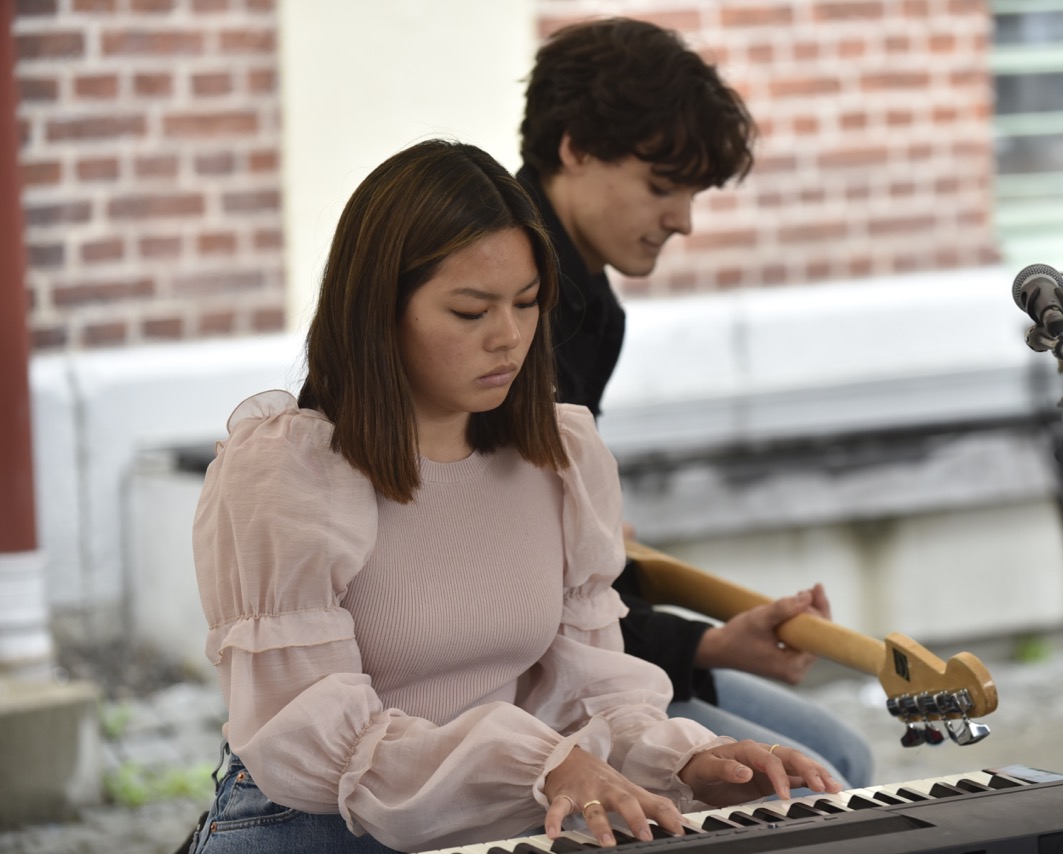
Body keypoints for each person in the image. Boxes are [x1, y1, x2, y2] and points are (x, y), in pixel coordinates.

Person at [185, 139, 840, 854]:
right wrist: (542, 764)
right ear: (379, 312)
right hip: (320, 829)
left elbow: (592, 691)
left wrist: (686, 760)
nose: (509, 337)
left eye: (527, 304)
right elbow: (316, 742)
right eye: (471, 312)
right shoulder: (289, 473)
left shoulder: (557, 458)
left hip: (500, 814)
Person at [517, 17, 874, 789]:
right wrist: (707, 644)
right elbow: (523, 588)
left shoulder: (590, 301)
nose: (683, 219)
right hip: (520, 680)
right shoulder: (520, 296)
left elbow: (569, 556)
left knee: (840, 758)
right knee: (818, 776)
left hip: (591, 642)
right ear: (575, 148)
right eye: (661, 186)